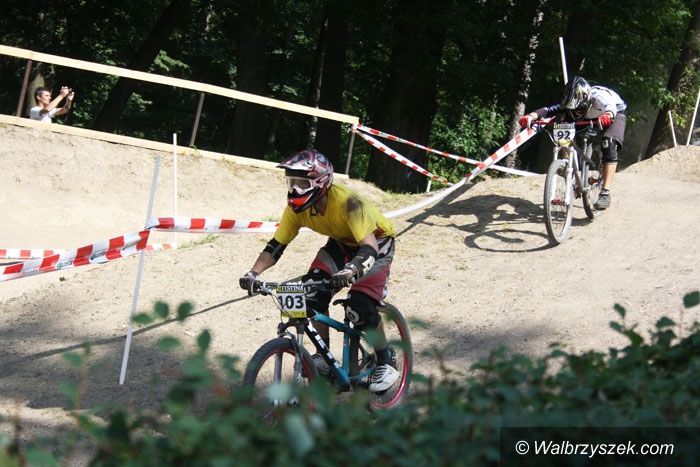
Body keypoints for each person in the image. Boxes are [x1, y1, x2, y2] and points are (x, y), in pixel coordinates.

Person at [239, 149, 400, 392]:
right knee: (312, 293)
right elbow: (275, 246)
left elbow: (369, 247)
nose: (294, 190)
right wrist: (253, 273)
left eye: (302, 183)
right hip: (341, 243)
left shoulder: (349, 203)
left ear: (322, 182)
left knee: (359, 305)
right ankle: (324, 357)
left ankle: (386, 360)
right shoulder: (296, 210)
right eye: (291, 183)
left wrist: (352, 270)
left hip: (376, 243)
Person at [519, 76, 627, 209]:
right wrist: (531, 116)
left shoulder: (599, 98)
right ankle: (569, 169)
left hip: (614, 112)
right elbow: (548, 110)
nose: (575, 113)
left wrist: (608, 115)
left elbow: (610, 107)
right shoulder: (571, 103)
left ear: (586, 100)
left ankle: (605, 193)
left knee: (608, 143)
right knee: (563, 130)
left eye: (578, 109)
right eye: (572, 110)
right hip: (588, 115)